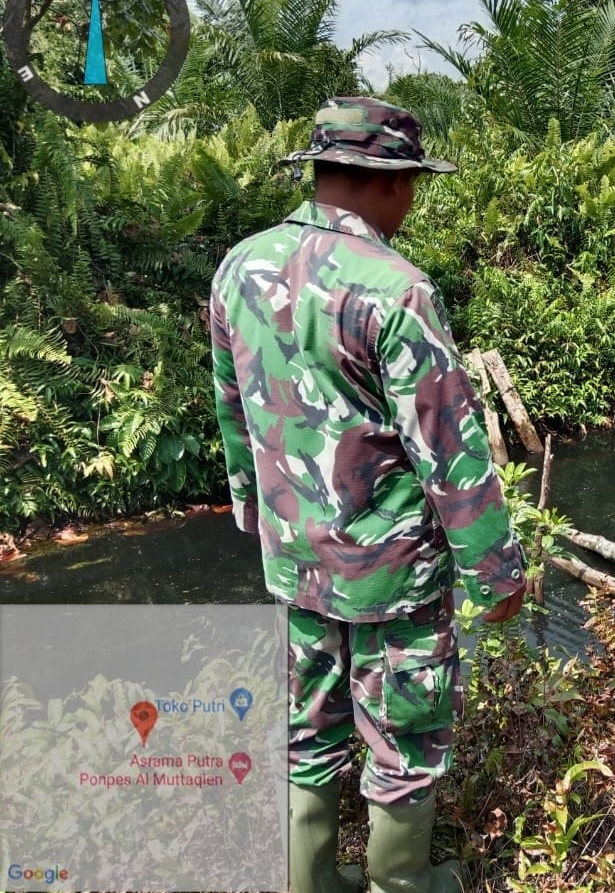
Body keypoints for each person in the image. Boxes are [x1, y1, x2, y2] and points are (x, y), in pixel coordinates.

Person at [210, 96, 525, 893]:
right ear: (387, 182)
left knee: (307, 733)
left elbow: (232, 406)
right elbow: (449, 448)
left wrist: (256, 512)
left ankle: (309, 884)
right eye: (413, 183)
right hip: (392, 575)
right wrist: (496, 571)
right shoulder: (397, 287)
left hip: (296, 561)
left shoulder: (238, 267)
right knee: (404, 742)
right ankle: (400, 886)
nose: (414, 201)